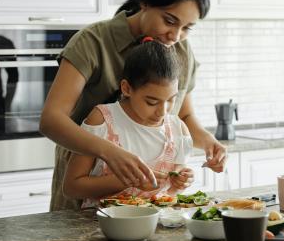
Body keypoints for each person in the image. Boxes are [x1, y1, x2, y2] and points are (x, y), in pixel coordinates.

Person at [40, 0, 227, 211]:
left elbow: (183, 115)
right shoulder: (93, 42)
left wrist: (208, 142)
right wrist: (110, 152)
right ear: (145, 3)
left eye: (186, 28)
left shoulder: (181, 50)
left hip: (149, 204)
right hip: (85, 193)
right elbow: (51, 120)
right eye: (169, 21)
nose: (175, 35)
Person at [63, 39, 194, 208]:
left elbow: (171, 192)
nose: (163, 111)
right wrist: (125, 180)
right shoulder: (102, 120)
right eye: (152, 102)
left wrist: (182, 182)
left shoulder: (178, 130)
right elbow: (72, 188)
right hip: (102, 225)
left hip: (157, 226)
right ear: (126, 88)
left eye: (171, 100)